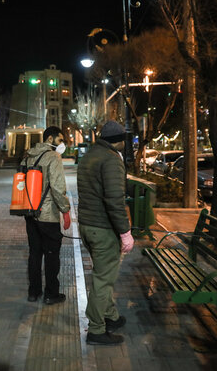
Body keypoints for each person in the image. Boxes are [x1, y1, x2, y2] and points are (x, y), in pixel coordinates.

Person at [76, 120, 134, 345]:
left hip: (87, 226)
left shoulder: (90, 155)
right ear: (119, 141)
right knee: (103, 279)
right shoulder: (111, 159)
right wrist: (125, 232)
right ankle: (97, 330)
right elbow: (114, 200)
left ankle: (110, 316)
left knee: (103, 274)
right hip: (103, 229)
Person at [22, 126, 71, 304]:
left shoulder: (28, 156)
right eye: (60, 140)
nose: (62, 144)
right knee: (51, 254)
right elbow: (58, 188)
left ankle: (33, 292)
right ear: (50, 139)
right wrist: (65, 209)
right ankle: (51, 294)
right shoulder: (53, 157)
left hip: (29, 212)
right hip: (48, 215)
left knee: (34, 253)